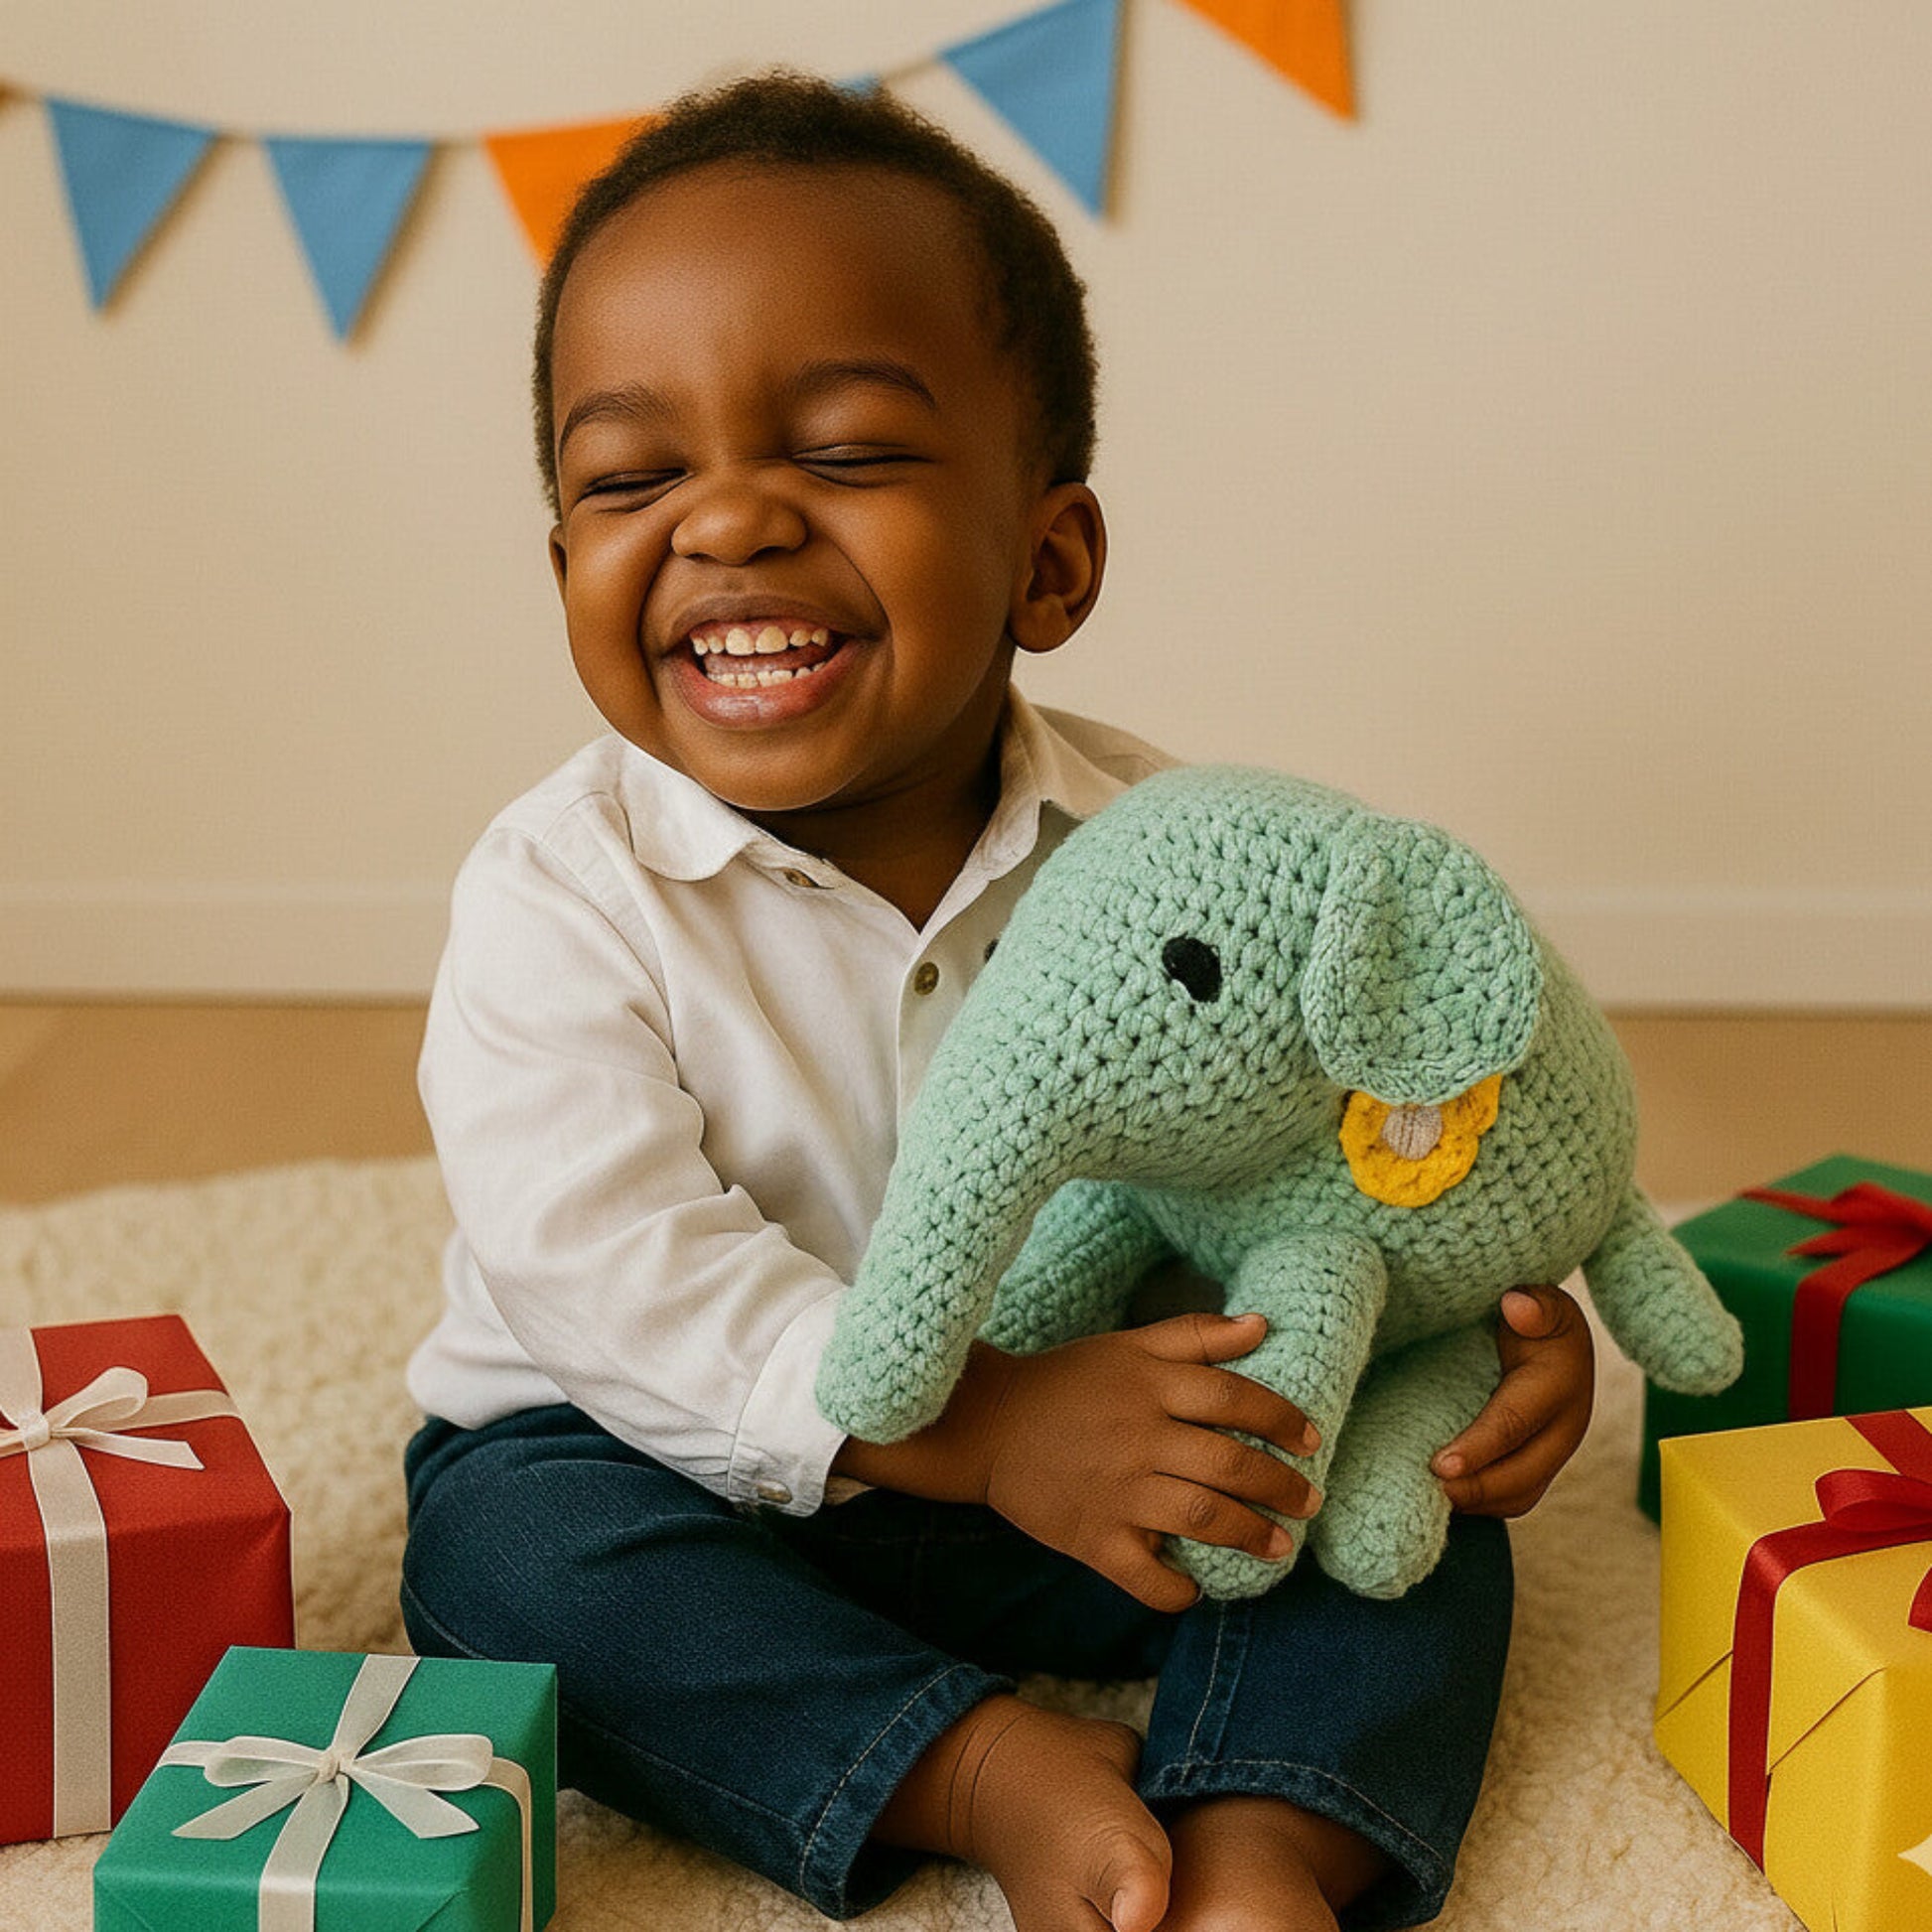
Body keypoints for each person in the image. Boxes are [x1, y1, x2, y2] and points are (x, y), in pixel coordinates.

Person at [399, 72, 1596, 1932]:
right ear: (567, 560)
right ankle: (963, 1764)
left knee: (1389, 1515)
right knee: (500, 1563)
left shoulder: (1171, 856)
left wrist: (1476, 1345)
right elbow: (606, 1271)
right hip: (661, 1460)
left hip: (1080, 1459)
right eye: (630, 477)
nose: (726, 523)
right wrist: (973, 1429)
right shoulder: (557, 896)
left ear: (1047, 560)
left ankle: (1270, 1831)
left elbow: (1328, 1147)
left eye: (847, 451)